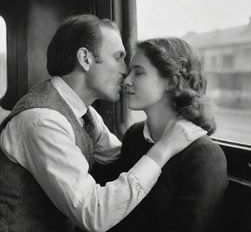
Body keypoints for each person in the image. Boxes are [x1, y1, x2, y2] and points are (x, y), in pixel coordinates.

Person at [0, 15, 206, 232]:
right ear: (85, 59)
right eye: (118, 57)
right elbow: (94, 215)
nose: (125, 71)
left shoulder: (85, 113)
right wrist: (163, 149)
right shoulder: (42, 120)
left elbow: (122, 158)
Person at [109, 38, 228, 232]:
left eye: (138, 73)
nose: (127, 80)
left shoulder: (204, 155)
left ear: (171, 82)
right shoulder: (134, 135)